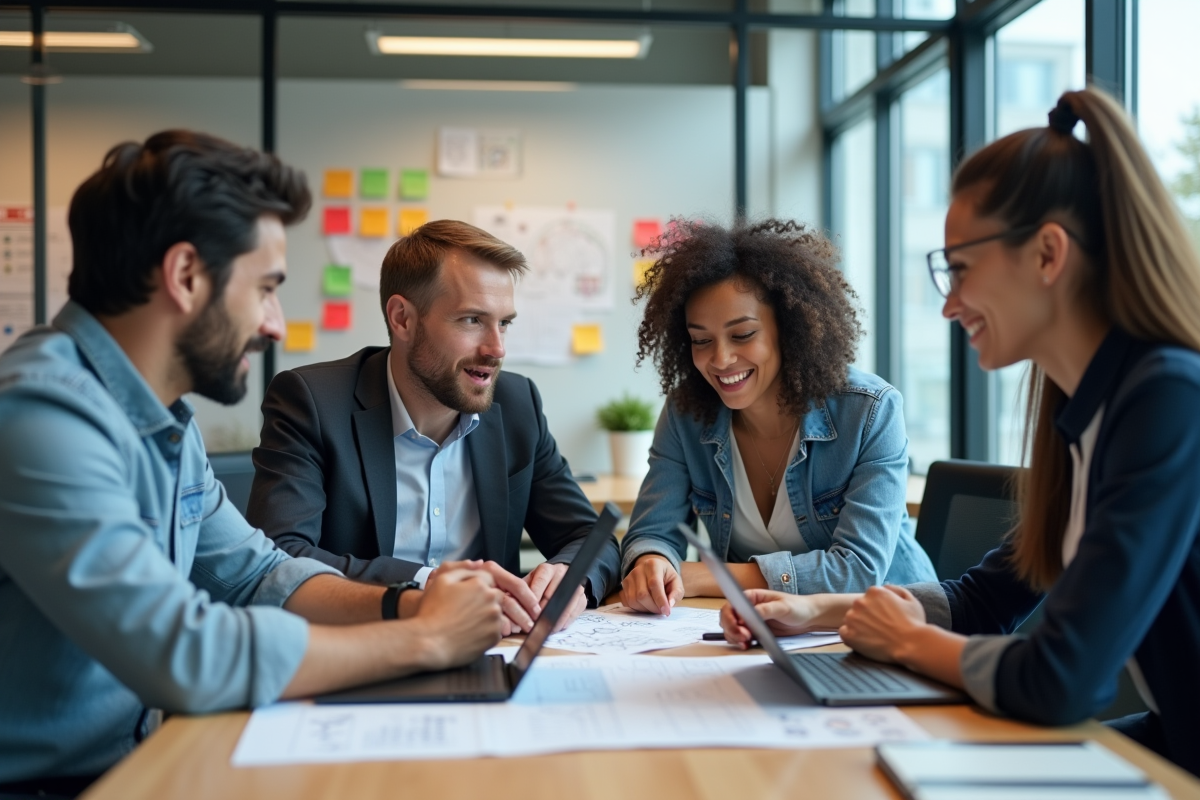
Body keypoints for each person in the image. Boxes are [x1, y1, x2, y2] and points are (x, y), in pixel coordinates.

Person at [0, 132, 506, 795]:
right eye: (266, 288)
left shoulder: (161, 420)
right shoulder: (40, 416)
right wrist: (427, 641)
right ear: (185, 276)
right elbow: (182, 652)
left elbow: (258, 576)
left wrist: (407, 606)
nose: (275, 324)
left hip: (132, 766)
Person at [718, 89, 1200, 778]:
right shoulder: (1089, 411)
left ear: (1047, 255)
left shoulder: (1167, 401)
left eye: (961, 268)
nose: (948, 304)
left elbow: (1065, 676)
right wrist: (821, 611)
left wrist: (911, 644)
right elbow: (986, 599)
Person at [247, 219, 620, 635]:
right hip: (365, 648)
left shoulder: (517, 405)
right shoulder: (312, 401)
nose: (497, 349)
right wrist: (430, 585)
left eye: (505, 323)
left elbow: (591, 536)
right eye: (471, 320)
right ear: (402, 319)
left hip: (496, 651)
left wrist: (572, 577)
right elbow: (280, 557)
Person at [619, 219, 936, 616]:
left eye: (743, 335)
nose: (720, 359)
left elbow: (858, 572)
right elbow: (652, 531)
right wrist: (653, 561)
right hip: (762, 628)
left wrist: (703, 575)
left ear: (787, 329)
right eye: (701, 340)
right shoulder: (687, 414)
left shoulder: (869, 410)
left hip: (888, 626)